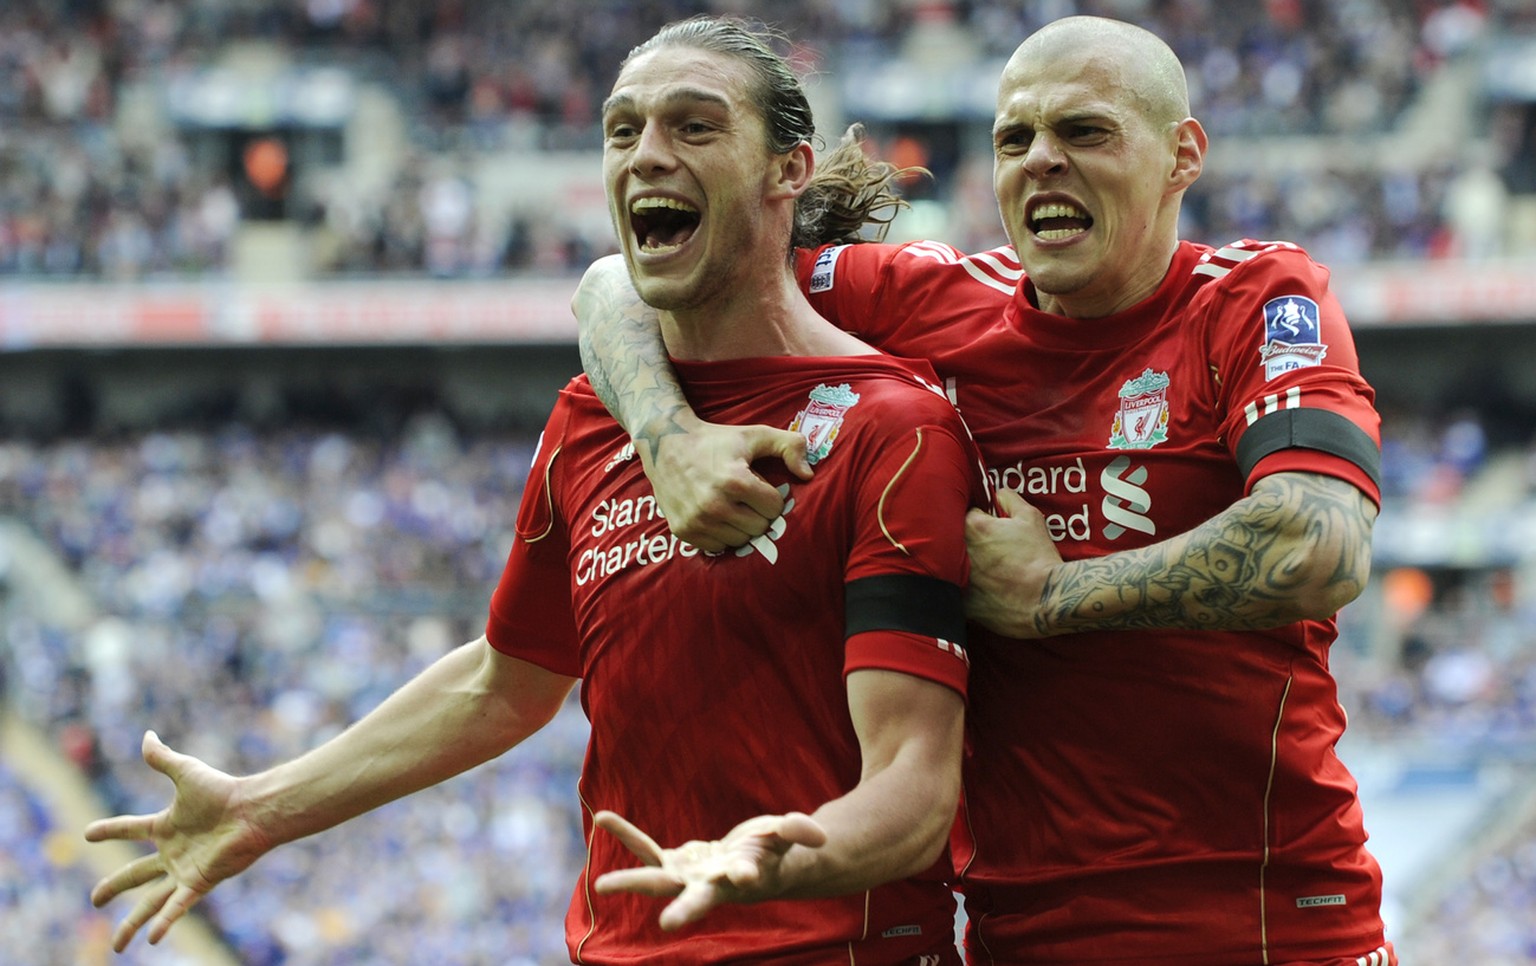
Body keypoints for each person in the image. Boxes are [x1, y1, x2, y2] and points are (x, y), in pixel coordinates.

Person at [84, 16, 993, 965]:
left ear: (787, 169)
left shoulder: (892, 428)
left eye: (693, 127)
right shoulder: (591, 418)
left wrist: (782, 858)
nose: (647, 156)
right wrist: (261, 808)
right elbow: (503, 682)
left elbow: (914, 787)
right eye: (622, 130)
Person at [574, 15, 1396, 966]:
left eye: (1083, 132)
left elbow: (1320, 543)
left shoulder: (1255, 298)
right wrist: (666, 438)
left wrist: (1051, 598)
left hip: (1268, 923)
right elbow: (618, 286)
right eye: (1015, 139)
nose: (1041, 162)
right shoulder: (929, 303)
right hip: (1017, 935)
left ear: (1183, 156)